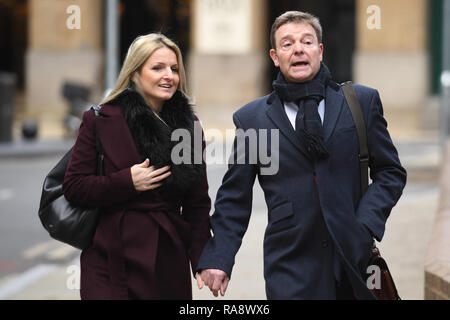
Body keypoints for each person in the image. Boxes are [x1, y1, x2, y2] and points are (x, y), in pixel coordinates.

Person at [195, 11, 407, 299]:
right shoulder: (253, 119)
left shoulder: (360, 103)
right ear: (274, 56)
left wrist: (365, 223)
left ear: (319, 51)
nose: (298, 49)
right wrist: (219, 258)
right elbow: (235, 198)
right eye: (287, 44)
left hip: (354, 260)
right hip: (290, 266)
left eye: (307, 42)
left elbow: (390, 172)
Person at [63, 33, 211, 300]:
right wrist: (126, 182)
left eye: (174, 69)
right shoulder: (99, 119)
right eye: (158, 68)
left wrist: (201, 258)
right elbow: (74, 187)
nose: (169, 76)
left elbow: (197, 203)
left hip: (168, 257)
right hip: (109, 259)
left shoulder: (189, 127)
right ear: (134, 73)